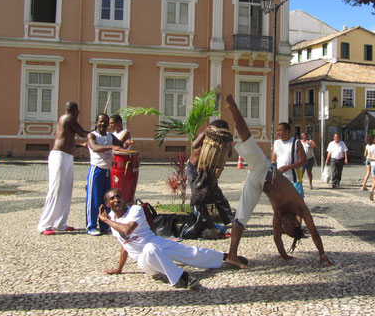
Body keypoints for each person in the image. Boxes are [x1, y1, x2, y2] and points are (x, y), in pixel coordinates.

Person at [223, 94, 333, 269]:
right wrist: (322, 253)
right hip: (264, 170)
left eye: (283, 228)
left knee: (241, 217)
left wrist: (284, 255)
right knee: (246, 137)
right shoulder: (300, 206)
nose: (282, 226)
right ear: (296, 223)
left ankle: (232, 255)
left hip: (256, 183)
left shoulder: (279, 214)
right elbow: (314, 232)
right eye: (286, 227)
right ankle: (233, 106)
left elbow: (277, 238)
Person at [99, 189, 232, 289]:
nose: (116, 200)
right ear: (107, 203)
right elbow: (124, 244)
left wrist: (105, 220)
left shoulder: (135, 210)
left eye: (118, 196)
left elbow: (127, 230)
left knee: (188, 251)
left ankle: (224, 257)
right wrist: (119, 269)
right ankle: (182, 278)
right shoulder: (112, 219)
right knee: (150, 249)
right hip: (145, 259)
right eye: (112, 199)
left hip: (156, 242)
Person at [37, 102, 88, 235]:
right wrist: (99, 134)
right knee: (56, 190)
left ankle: (60, 223)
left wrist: (82, 146)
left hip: (67, 157)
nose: (79, 113)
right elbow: (83, 133)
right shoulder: (68, 118)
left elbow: (69, 141)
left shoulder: (68, 121)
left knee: (66, 191)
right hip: (59, 157)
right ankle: (44, 224)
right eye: (77, 110)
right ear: (71, 110)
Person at [184, 119, 235, 237]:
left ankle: (231, 221)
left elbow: (229, 154)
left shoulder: (223, 139)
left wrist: (228, 143)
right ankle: (207, 223)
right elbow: (195, 145)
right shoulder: (205, 134)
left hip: (209, 171)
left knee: (217, 195)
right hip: (194, 168)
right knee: (199, 195)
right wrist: (204, 133)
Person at [86, 113, 132, 236]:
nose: (103, 124)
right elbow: (94, 147)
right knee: (94, 199)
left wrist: (126, 144)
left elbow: (121, 145)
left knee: (108, 200)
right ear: (96, 123)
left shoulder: (110, 136)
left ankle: (105, 225)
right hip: (97, 170)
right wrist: (111, 146)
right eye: (101, 121)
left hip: (108, 170)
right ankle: (91, 226)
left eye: (106, 121)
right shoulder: (92, 135)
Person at [272, 123, 307, 197]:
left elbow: (304, 161)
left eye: (280, 130)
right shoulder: (276, 143)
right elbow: (273, 160)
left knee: (296, 205)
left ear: (287, 131)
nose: (277, 132)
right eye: (277, 130)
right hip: (280, 180)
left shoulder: (296, 143)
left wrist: (288, 167)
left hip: (294, 180)